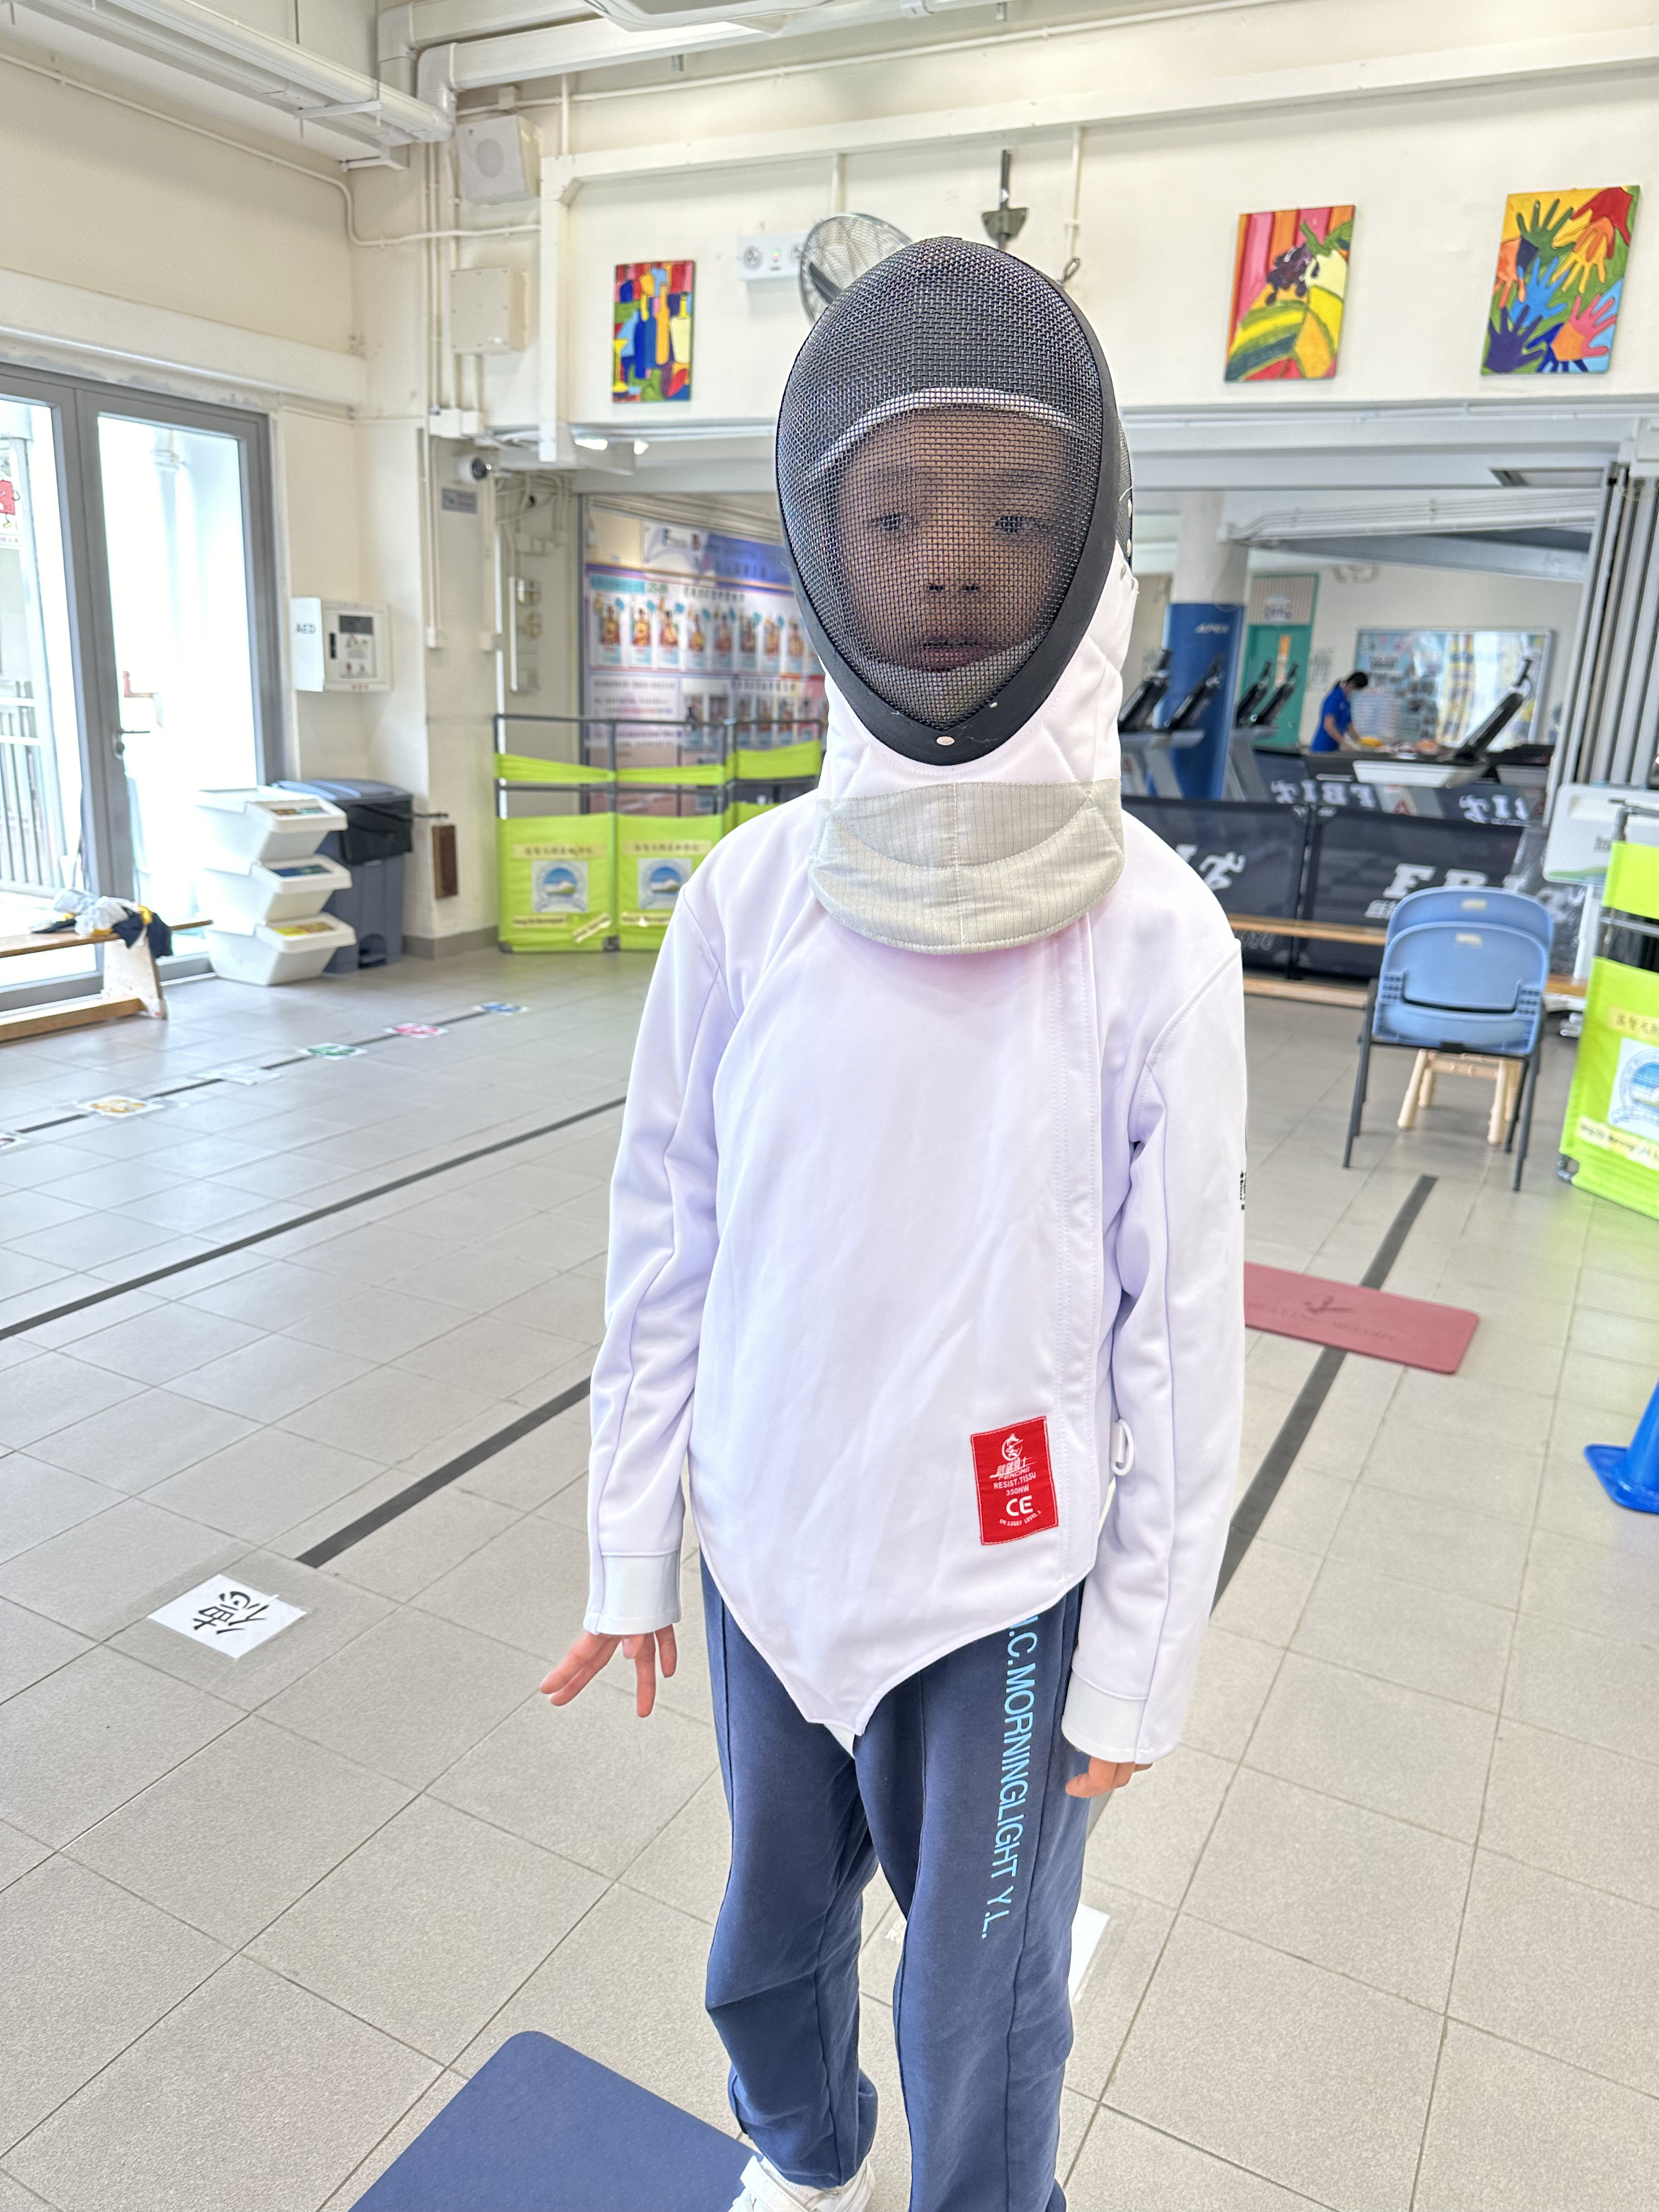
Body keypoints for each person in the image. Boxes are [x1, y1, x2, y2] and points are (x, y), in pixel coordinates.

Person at [541, 238, 1246, 2212]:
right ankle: (805, 2153)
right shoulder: (746, 898)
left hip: (999, 1579)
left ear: (1081, 545)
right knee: (763, 1966)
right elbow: (665, 1231)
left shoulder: (1154, 938)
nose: (947, 568)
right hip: (769, 1552)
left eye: (1008, 518)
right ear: (823, 540)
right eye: (896, 514)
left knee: (977, 2016)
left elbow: (1182, 1335)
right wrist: (630, 1542)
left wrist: (1136, 1665)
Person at [1309, 667, 1369, 752]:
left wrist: (1361, 743)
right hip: (1323, 748)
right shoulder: (1335, 698)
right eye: (1356, 690)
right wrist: (1343, 743)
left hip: (1335, 747)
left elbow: (1349, 726)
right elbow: (1328, 725)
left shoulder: (1346, 701)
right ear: (1352, 685)